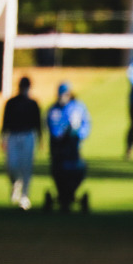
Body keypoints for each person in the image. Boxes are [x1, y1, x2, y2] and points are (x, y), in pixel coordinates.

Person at [45, 82, 92, 213]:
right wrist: (61, 135)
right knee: (59, 169)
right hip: (58, 149)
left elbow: (86, 124)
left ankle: (70, 194)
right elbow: (52, 128)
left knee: (77, 169)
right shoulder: (53, 110)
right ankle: (62, 195)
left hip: (74, 148)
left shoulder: (78, 107)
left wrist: (79, 134)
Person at [0, 76, 43, 210]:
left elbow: (38, 123)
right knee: (11, 165)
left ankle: (24, 197)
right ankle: (15, 184)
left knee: (26, 167)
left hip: (28, 136)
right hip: (13, 135)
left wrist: (40, 139)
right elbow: (5, 121)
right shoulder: (11, 103)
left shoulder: (33, 103)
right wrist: (2, 138)